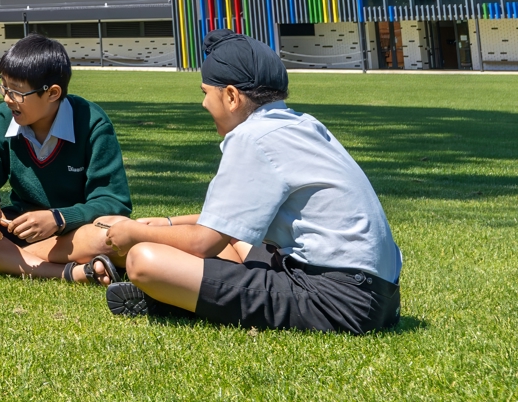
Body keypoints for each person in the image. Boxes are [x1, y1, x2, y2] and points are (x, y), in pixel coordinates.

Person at [101, 30, 402, 334]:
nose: (204, 104)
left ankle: (179, 297)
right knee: (234, 240)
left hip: (339, 301)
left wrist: (135, 232)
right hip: (378, 296)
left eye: (205, 92)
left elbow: (203, 243)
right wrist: (167, 223)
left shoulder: (252, 137)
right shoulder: (301, 124)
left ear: (231, 96)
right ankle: (184, 293)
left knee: (143, 259)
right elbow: (229, 224)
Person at [0, 34, 133, 284]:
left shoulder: (92, 122)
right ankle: (63, 271)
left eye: (16, 92)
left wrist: (58, 218)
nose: (6, 98)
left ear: (53, 93)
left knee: (110, 233)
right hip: (15, 232)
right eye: (3, 86)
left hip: (71, 237)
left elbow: (113, 202)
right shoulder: (0, 119)